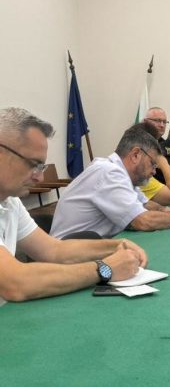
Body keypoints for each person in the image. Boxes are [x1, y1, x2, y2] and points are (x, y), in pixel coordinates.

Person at [0, 107, 146, 304]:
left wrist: (114, 246)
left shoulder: (10, 201)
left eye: (41, 167)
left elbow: (54, 250)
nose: (40, 177)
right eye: (33, 164)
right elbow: (16, 283)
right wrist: (105, 268)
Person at [51, 122, 170, 239]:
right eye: (152, 164)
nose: (154, 171)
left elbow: (145, 204)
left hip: (87, 248)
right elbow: (142, 221)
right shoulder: (109, 172)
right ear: (135, 155)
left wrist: (164, 210)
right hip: (67, 256)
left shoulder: (124, 175)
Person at [139, 120, 170, 205]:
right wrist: (164, 163)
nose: (154, 172)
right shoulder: (139, 174)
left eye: (164, 122)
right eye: (152, 163)